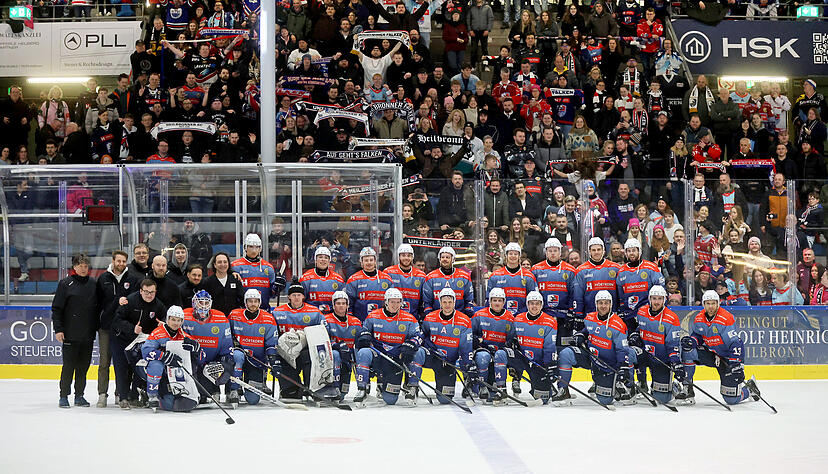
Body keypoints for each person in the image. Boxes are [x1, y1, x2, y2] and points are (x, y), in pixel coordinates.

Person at [679, 291, 763, 406]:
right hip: (713, 355)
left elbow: (735, 343)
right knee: (688, 350)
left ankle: (749, 389)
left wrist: (736, 364)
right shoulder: (699, 318)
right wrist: (692, 341)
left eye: (713, 303)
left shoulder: (725, 318)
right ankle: (687, 389)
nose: (711, 306)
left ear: (718, 303)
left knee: (731, 399)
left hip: (729, 357)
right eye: (708, 303)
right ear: (703, 304)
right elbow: (698, 335)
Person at [553, 291, 632, 405]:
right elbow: (586, 330)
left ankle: (616, 384)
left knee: (605, 400)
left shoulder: (618, 324)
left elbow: (622, 349)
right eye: (600, 303)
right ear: (596, 304)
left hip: (608, 365)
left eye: (606, 303)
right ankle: (563, 390)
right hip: (591, 358)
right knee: (566, 353)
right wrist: (581, 335)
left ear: (611, 304)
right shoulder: (590, 318)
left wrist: (622, 368)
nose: (603, 306)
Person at [353, 288, 426, 406]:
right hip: (378, 355)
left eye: (398, 302)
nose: (395, 305)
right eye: (392, 301)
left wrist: (411, 344)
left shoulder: (409, 319)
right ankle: (362, 389)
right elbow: (364, 331)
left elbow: (418, 336)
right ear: (386, 302)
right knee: (363, 352)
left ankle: (412, 387)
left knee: (390, 400)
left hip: (396, 358)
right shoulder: (373, 316)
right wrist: (364, 336)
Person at [111, 279, 168, 409]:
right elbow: (117, 320)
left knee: (139, 367)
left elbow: (165, 320)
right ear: (141, 291)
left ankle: (134, 396)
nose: (149, 295)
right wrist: (132, 329)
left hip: (143, 341)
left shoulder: (158, 305)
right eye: (146, 292)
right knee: (122, 368)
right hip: (122, 339)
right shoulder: (130, 301)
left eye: (152, 292)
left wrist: (162, 325)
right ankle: (123, 397)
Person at [52, 254, 99, 408]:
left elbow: (97, 308)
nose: (83, 269)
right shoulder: (65, 284)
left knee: (83, 368)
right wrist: (58, 329)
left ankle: (79, 395)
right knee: (68, 367)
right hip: (70, 335)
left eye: (86, 266)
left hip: (87, 335)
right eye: (80, 266)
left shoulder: (93, 283)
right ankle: (63, 395)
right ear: (74, 267)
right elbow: (57, 309)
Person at [95, 250, 141, 408]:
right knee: (104, 362)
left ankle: (119, 393)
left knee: (123, 363)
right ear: (113, 261)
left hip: (124, 329)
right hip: (106, 328)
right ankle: (102, 394)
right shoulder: (103, 279)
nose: (121, 264)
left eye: (123, 261)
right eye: (118, 261)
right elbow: (98, 303)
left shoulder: (132, 279)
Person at [138, 306, 205, 412]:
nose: (176, 323)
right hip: (159, 372)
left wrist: (196, 349)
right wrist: (164, 356)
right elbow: (146, 351)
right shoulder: (158, 333)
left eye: (179, 320)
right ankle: (152, 395)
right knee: (156, 365)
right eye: (173, 319)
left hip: (174, 375)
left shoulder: (184, 336)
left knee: (181, 403)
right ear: (167, 319)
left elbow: (202, 359)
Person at [271, 279, 329, 399]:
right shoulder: (277, 312)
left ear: (303, 296)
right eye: (293, 295)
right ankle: (292, 388)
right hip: (285, 353)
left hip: (307, 351)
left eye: (299, 295)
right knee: (291, 395)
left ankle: (312, 387)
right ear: (289, 297)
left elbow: (324, 331)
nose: (296, 297)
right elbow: (272, 334)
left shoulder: (315, 312)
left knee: (310, 356)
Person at [628, 285, 682, 403]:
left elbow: (673, 344)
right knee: (627, 353)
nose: (656, 302)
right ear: (649, 299)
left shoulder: (672, 318)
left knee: (662, 399)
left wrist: (675, 363)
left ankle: (673, 386)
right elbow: (641, 328)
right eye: (654, 298)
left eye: (659, 298)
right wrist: (636, 335)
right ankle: (634, 386)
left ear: (664, 300)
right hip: (645, 354)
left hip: (661, 359)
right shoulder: (642, 311)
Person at [421, 287, 474, 404]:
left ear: (454, 302)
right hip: (435, 358)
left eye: (450, 302)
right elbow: (422, 337)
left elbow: (465, 347)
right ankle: (412, 386)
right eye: (444, 302)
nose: (447, 305)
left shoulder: (464, 320)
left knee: (445, 399)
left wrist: (466, 366)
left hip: (449, 363)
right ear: (440, 302)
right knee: (417, 352)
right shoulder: (430, 318)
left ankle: (470, 385)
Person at [181, 291, 236, 403]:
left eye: (206, 303)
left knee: (233, 361)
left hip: (212, 362)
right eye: (200, 302)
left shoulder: (220, 318)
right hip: (195, 361)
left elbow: (227, 345)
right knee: (201, 396)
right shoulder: (184, 316)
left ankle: (228, 390)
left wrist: (227, 363)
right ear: (194, 303)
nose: (203, 306)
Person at [228, 289, 280, 406]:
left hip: (256, 361)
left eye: (255, 301)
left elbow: (271, 344)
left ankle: (249, 386)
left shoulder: (268, 319)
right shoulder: (234, 315)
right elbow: (227, 335)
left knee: (253, 400)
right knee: (237, 356)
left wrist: (274, 361)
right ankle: (234, 390)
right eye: (250, 301)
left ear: (260, 302)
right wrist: (234, 343)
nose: (253, 304)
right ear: (245, 302)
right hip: (239, 356)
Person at [510, 291, 559, 404]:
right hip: (522, 359)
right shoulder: (518, 319)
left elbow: (549, 347)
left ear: (541, 305)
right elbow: (512, 337)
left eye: (537, 303)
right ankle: (500, 390)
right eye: (531, 303)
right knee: (502, 354)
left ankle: (546, 385)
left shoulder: (550, 321)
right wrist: (512, 341)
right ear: (527, 305)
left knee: (543, 399)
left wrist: (548, 366)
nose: (534, 306)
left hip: (538, 364)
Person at [471, 288, 516, 403]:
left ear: (504, 302)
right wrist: (478, 342)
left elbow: (512, 339)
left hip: (500, 354)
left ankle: (501, 388)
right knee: (483, 357)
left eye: (499, 300)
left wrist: (507, 346)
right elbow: (470, 335)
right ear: (489, 301)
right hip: (484, 352)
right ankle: (481, 386)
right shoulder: (479, 315)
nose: (497, 303)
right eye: (494, 300)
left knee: (492, 397)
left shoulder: (509, 317)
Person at [532, 238, 576, 345]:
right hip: (543, 315)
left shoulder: (570, 270)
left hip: (563, 316)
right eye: (550, 251)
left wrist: (571, 312)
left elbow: (573, 293)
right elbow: (533, 293)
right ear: (546, 252)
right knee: (544, 345)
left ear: (560, 252)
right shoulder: (536, 269)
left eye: (555, 250)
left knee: (564, 345)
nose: (552, 253)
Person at [572, 237, 620, 326]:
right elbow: (578, 295)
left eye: (599, 249)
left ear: (604, 251)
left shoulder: (615, 268)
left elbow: (621, 292)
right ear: (589, 252)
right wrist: (578, 314)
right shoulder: (581, 270)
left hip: (612, 316)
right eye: (593, 250)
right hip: (590, 315)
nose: (596, 252)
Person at [232, 233, 286, 311]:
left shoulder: (268, 267)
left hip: (263, 311)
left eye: (257, 247)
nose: (254, 250)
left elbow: (272, 294)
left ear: (260, 249)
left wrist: (278, 287)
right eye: (251, 246)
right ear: (245, 247)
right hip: (242, 311)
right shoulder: (235, 266)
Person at [616, 238, 665, 324]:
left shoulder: (651, 268)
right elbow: (621, 296)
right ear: (626, 253)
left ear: (640, 251)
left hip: (649, 313)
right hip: (629, 315)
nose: (631, 253)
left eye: (634, 250)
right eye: (629, 251)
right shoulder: (621, 272)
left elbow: (661, 289)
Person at [324, 291, 363, 400]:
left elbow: (360, 341)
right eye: (338, 303)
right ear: (333, 305)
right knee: (336, 354)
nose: (341, 306)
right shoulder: (326, 320)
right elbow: (323, 340)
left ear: (347, 305)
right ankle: (333, 387)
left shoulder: (355, 321)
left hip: (348, 357)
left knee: (343, 394)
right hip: (331, 355)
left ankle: (364, 388)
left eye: (343, 303)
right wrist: (337, 346)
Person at [487, 242, 538, 315]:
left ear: (519, 256)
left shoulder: (528, 276)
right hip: (501, 317)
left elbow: (534, 299)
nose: (513, 256)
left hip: (522, 317)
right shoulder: (495, 275)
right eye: (510, 253)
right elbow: (489, 299)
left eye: (515, 254)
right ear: (506, 255)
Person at [345, 247, 395, 322]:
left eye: (371, 260)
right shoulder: (353, 279)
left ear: (375, 261)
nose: (369, 263)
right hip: (360, 322)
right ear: (361, 262)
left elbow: (392, 302)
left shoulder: (386, 279)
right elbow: (349, 305)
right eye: (366, 260)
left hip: (382, 322)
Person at [422, 246, 475, 315]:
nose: (445, 259)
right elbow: (427, 302)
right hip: (437, 319)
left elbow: (469, 300)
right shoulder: (430, 277)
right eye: (442, 257)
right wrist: (431, 318)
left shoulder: (464, 276)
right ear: (439, 259)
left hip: (459, 318)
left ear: (453, 259)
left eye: (447, 257)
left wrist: (466, 316)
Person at [383, 244, 427, 319]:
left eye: (409, 255)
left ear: (412, 257)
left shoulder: (421, 275)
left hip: (413, 317)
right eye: (403, 255)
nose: (406, 258)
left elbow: (424, 299)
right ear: (398, 257)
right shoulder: (388, 272)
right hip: (392, 317)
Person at [300, 246, 346, 314]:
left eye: (326, 257)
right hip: (311, 316)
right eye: (320, 257)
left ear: (329, 261)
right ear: (315, 260)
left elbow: (342, 302)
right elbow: (300, 302)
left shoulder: (338, 279)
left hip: (332, 317)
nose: (323, 260)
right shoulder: (306, 278)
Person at [203, 252, 245, 316]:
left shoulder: (235, 279)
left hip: (233, 318)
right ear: (214, 265)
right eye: (219, 262)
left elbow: (242, 299)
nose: (223, 264)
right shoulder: (207, 281)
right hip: (215, 319)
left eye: (225, 262)